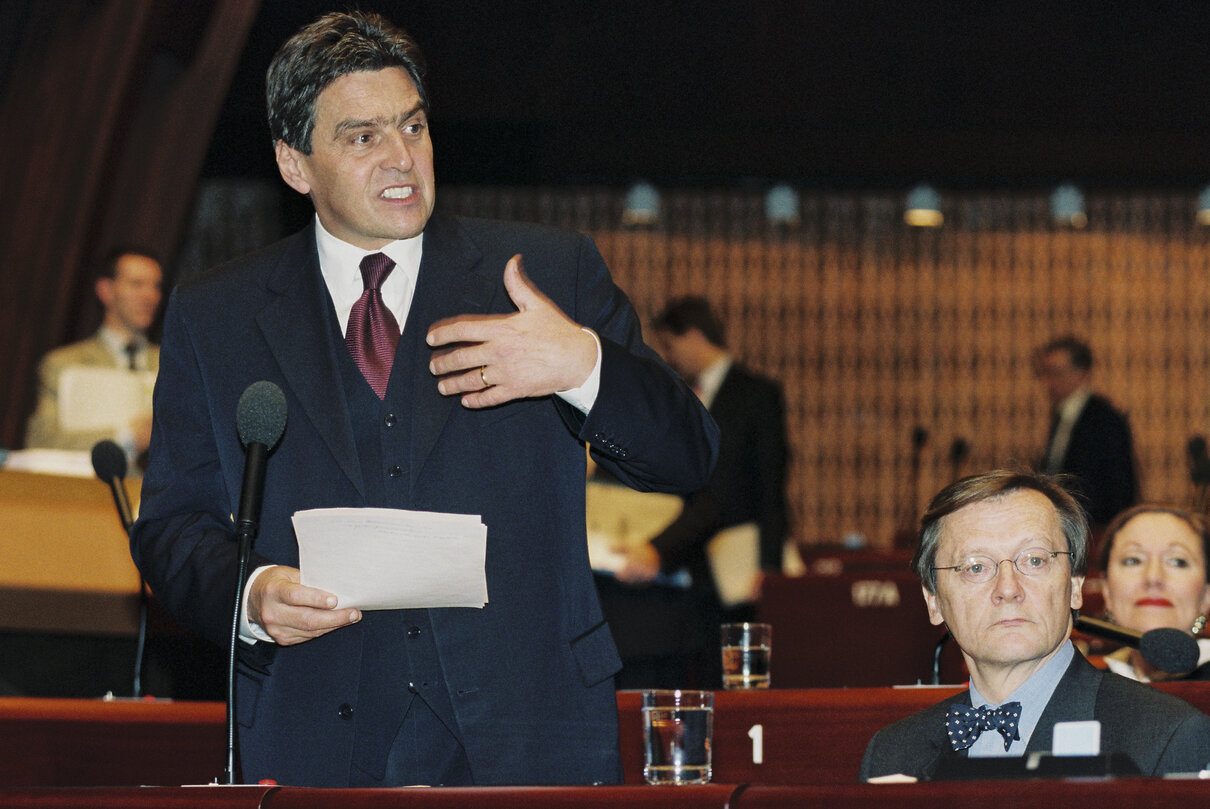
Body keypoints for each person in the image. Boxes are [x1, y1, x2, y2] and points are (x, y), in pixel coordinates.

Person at [129, 11, 717, 789]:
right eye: (362, 136)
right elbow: (171, 525)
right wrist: (252, 593)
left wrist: (583, 364)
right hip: (313, 730)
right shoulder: (218, 315)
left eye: (413, 125)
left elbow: (690, 454)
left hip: (527, 728)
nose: (402, 158)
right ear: (294, 164)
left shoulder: (545, 273)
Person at [859, 469, 1210, 781]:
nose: (1008, 589)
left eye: (1035, 560)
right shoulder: (893, 754)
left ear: (1074, 586)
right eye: (975, 567)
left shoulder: (1168, 736)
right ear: (933, 601)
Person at [603, 296, 789, 687]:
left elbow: (769, 488)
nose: (669, 357)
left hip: (737, 567)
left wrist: (769, 568)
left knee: (736, 683)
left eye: (669, 346)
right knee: (697, 680)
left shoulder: (757, 394)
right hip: (687, 576)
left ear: (692, 335)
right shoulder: (677, 395)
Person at [24, 248, 163, 459]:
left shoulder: (174, 364)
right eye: (137, 284)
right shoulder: (65, 364)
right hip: (90, 488)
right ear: (106, 290)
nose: (150, 296)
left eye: (156, 286)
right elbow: (42, 441)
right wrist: (127, 437)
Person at [1036, 336, 1138, 529]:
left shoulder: (1105, 418)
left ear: (1081, 372)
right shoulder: (1061, 415)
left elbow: (1118, 484)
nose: (1048, 381)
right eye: (1046, 372)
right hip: (1063, 520)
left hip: (1093, 526)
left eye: (1056, 372)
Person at [1098, 504, 1210, 681]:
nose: (1153, 577)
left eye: (1177, 561)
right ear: (1106, 590)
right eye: (1133, 560)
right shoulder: (1078, 694)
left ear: (1206, 594)